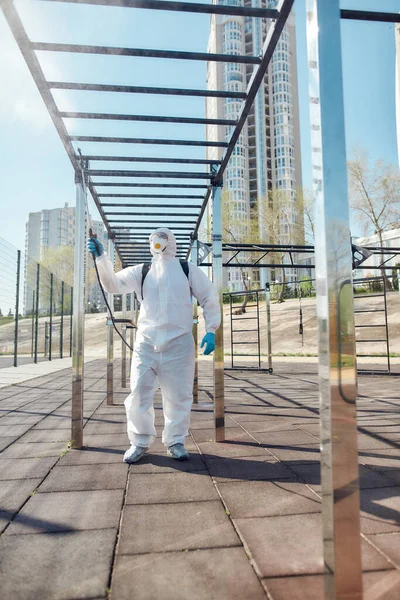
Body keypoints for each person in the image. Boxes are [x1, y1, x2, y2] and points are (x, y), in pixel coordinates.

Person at [87, 228, 221, 463]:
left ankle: (176, 441)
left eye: (163, 238)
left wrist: (211, 330)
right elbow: (112, 284)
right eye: (154, 238)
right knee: (138, 394)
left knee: (179, 397)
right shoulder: (142, 270)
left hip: (179, 344)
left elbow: (209, 296)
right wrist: (102, 259)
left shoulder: (186, 269)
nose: (158, 242)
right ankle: (139, 441)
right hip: (147, 344)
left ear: (172, 241)